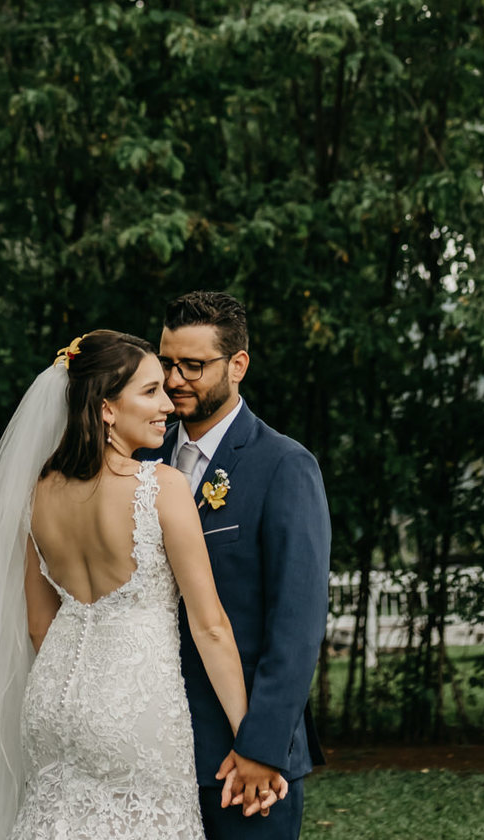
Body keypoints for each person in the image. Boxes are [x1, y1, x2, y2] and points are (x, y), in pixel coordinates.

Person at [0, 328, 285, 840]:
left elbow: (39, 626)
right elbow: (210, 627)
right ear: (105, 409)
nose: (167, 402)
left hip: (51, 703)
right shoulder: (160, 487)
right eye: (149, 392)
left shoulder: (37, 493)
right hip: (133, 703)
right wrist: (249, 737)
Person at [148, 290, 331, 840]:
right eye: (165, 364)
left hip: (243, 761)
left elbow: (297, 625)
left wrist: (260, 746)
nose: (175, 379)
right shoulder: (140, 460)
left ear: (238, 365)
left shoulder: (284, 466)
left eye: (193, 366)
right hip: (152, 749)